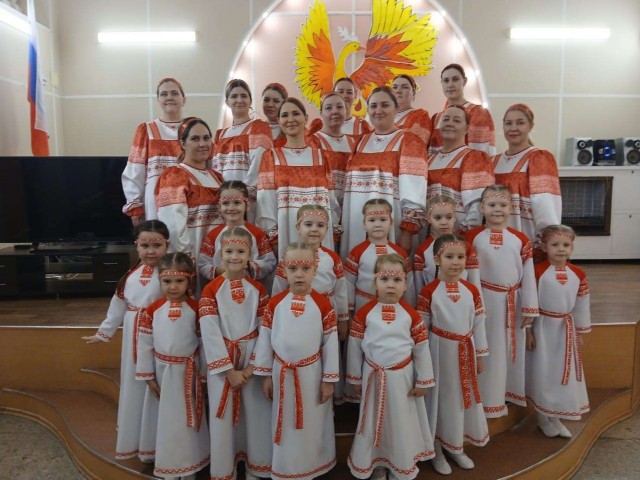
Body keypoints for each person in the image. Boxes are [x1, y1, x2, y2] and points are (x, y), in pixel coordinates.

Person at [81, 220, 169, 462]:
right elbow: (118, 305)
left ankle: (157, 443)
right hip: (133, 335)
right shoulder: (130, 275)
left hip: (160, 334)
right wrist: (104, 332)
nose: (151, 251)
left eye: (157, 245)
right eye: (145, 246)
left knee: (156, 382)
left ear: (167, 245)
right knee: (134, 382)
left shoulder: (170, 274)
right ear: (136, 246)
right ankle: (137, 440)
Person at [252, 243, 340, 480]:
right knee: (285, 423)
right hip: (282, 374)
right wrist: (266, 375)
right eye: (293, 268)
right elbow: (265, 340)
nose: (299, 274)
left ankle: (313, 466)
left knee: (313, 422)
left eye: (305, 268)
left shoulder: (323, 304)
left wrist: (328, 380)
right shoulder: (275, 304)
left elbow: (330, 344)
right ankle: (286, 469)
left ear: (315, 270)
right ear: (284, 271)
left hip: (312, 375)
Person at [347, 253, 435, 480]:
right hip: (373, 379)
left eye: (397, 280)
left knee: (399, 423)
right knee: (373, 422)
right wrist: (355, 377)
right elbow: (354, 347)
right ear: (375, 283)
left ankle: (400, 465)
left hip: (402, 382)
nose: (390, 285)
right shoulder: (364, 314)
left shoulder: (412, 316)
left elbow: (422, 349)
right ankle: (376, 464)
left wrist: (424, 380)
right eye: (384, 279)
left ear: (405, 285)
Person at [199, 227, 273, 479]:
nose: (234, 257)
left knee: (255, 414)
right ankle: (225, 469)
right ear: (220, 254)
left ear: (250, 254)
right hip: (223, 362)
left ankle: (256, 467)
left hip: (251, 357)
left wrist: (252, 367)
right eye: (229, 251)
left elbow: (265, 329)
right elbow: (209, 331)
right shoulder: (211, 289)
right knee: (224, 418)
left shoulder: (259, 289)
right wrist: (229, 371)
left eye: (241, 251)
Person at [417, 234, 489, 475]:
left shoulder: (472, 290)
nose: (456, 262)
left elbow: (479, 323)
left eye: (461, 257)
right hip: (439, 353)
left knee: (459, 399)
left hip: (465, 353)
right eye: (450, 257)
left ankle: (456, 446)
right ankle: (437, 449)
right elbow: (422, 330)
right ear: (437, 260)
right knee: (439, 399)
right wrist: (424, 362)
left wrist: (480, 355)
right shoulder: (429, 291)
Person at [464, 185, 539, 418]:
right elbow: (467, 273)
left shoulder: (520, 239)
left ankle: (506, 393)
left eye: (503, 205)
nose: (497, 209)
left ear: (511, 208)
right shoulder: (471, 238)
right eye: (492, 205)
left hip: (512, 302)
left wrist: (529, 307)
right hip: (484, 301)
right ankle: (486, 399)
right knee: (489, 349)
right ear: (482, 207)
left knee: (508, 350)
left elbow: (528, 274)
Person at [135, 253, 210, 480]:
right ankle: (168, 462)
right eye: (167, 281)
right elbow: (144, 345)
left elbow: (204, 344)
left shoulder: (197, 310)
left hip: (188, 375)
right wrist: (148, 376)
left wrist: (203, 374)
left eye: (179, 281)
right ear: (160, 280)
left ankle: (189, 465)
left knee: (186, 422)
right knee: (166, 420)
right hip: (162, 375)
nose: (173, 286)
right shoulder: (151, 310)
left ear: (190, 280)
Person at [271, 205, 350, 403]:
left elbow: (341, 289)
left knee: (327, 350)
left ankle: (327, 395)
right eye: (308, 224)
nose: (314, 229)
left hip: (325, 312)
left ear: (327, 229)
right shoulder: (289, 255)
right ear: (298, 227)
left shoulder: (332, 258)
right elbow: (278, 289)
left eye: (320, 225)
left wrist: (343, 319)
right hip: (294, 314)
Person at [341, 86, 428, 257]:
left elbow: (415, 189)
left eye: (385, 105)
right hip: (356, 223)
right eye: (373, 106)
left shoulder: (409, 140)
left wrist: (408, 231)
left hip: (393, 223)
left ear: (396, 109)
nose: (378, 110)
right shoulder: (361, 141)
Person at [526, 225, 591, 438]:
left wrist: (579, 332)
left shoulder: (578, 274)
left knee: (562, 372)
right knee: (544, 371)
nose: (561, 249)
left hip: (565, 330)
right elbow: (529, 301)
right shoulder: (537, 272)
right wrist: (528, 330)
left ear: (572, 248)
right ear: (545, 247)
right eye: (555, 245)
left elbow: (582, 304)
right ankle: (543, 416)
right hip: (543, 328)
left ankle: (556, 416)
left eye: (566, 245)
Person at [256, 97, 340, 256]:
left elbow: (331, 201)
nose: (290, 119)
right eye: (285, 115)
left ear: (306, 118)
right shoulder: (271, 156)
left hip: (320, 237)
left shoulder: (322, 157)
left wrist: (331, 233)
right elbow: (265, 202)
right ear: (279, 121)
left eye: (295, 114)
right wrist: (275, 240)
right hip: (286, 234)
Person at [493, 104, 562, 251]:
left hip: (527, 239)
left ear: (531, 126)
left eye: (520, 123)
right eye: (508, 123)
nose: (513, 128)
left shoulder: (539, 158)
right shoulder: (493, 162)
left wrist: (548, 239)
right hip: (496, 239)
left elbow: (546, 204)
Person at [155, 117, 223, 263]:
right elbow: (173, 226)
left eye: (206, 138)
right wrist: (185, 259)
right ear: (183, 143)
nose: (202, 144)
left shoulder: (217, 178)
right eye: (195, 139)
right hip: (193, 256)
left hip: (218, 256)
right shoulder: (175, 176)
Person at [122, 78, 186, 225]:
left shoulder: (194, 128)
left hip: (189, 198)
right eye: (164, 94)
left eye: (174, 93)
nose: (169, 97)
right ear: (158, 100)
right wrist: (134, 205)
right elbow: (134, 170)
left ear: (184, 99)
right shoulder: (146, 130)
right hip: (155, 202)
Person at [427, 104, 494, 233]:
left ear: (467, 128)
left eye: (456, 121)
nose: (449, 123)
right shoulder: (428, 159)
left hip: (458, 236)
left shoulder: (474, 157)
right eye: (446, 119)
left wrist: (467, 234)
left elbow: (477, 204)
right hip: (429, 233)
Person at [212, 79, 274, 218]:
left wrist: (240, 196)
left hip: (248, 202)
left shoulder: (258, 127)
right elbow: (215, 171)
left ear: (250, 101)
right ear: (227, 102)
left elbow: (260, 164)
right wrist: (224, 196)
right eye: (234, 96)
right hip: (224, 202)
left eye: (243, 96)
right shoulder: (220, 134)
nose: (239, 100)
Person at [345, 199, 416, 313]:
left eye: (383, 220)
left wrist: (410, 310)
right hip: (363, 306)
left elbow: (409, 283)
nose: (377, 224)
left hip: (394, 307)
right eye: (372, 220)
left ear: (391, 222)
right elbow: (348, 283)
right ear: (364, 223)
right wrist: (348, 311)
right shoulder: (357, 252)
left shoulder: (400, 253)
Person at [198, 180, 276, 283]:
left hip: (250, 287)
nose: (231, 208)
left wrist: (250, 266)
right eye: (226, 203)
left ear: (247, 205)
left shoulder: (257, 234)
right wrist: (219, 270)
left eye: (237, 202)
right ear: (219, 207)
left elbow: (270, 262)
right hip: (221, 286)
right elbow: (203, 264)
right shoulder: (213, 235)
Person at [413, 195, 480, 296]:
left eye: (449, 217)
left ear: (455, 217)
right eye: (438, 218)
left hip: (463, 300)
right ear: (429, 218)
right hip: (434, 302)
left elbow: (474, 281)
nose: (443, 222)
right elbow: (419, 287)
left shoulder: (466, 247)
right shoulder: (423, 250)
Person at [429, 64, 495, 156]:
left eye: (455, 79)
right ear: (442, 83)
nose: (450, 85)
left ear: (464, 81)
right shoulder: (436, 118)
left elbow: (480, 154)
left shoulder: (478, 112)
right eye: (446, 80)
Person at [310, 92, 356, 208]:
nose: (335, 111)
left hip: (351, 208)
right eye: (328, 108)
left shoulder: (355, 144)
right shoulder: (312, 142)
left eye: (339, 107)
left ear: (346, 111)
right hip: (322, 207)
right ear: (321, 113)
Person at [392, 74, 432, 145]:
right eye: (395, 87)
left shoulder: (420, 116)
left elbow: (417, 145)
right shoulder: (385, 117)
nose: (398, 91)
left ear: (413, 92)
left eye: (405, 87)